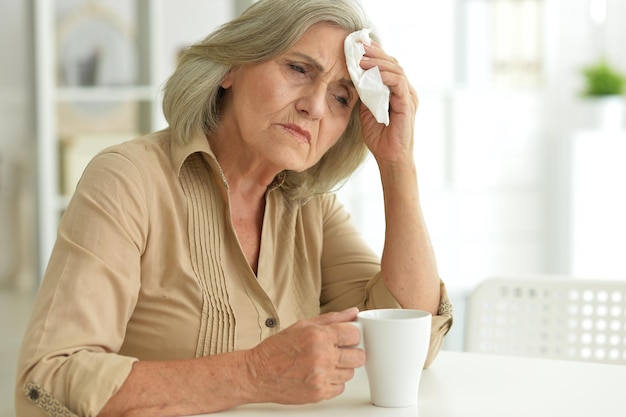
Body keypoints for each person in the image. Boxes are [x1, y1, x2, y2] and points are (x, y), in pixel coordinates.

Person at [16, 0, 453, 416]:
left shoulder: (311, 206)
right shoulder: (127, 180)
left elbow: (413, 344)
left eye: (341, 97)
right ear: (232, 66)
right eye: (299, 69)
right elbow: (46, 384)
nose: (315, 106)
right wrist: (254, 373)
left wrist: (398, 166)